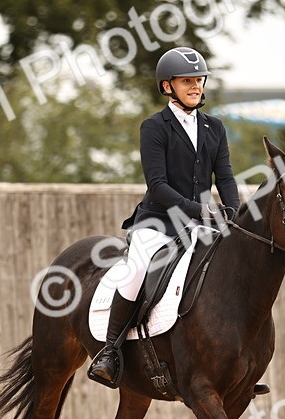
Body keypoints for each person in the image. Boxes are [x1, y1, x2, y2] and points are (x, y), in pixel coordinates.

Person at [87, 46, 240, 388]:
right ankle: (110, 352)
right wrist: (199, 210)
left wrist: (233, 211)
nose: (196, 86)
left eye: (199, 80)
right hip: (159, 222)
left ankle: (236, 362)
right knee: (136, 269)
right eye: (187, 81)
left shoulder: (215, 128)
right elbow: (157, 185)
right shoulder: (155, 127)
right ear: (167, 86)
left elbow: (226, 178)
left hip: (203, 225)